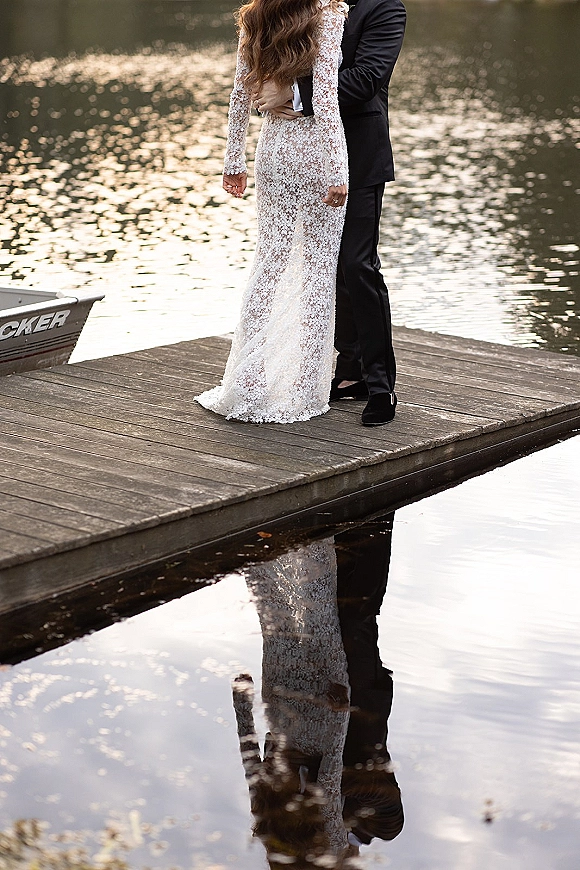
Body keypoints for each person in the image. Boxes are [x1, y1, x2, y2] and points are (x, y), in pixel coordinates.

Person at [253, 0, 407, 426]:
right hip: (305, 160)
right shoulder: (301, 6)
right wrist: (269, 94)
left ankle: (381, 385)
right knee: (325, 266)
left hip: (359, 156)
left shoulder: (384, 9)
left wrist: (295, 93)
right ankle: (350, 369)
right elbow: (265, 67)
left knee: (357, 265)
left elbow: (367, 80)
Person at [195, 0, 349, 424]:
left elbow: (239, 92)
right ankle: (303, 390)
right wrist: (338, 169)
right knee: (318, 269)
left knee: (269, 261)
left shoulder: (255, 16)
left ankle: (247, 384)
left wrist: (234, 162)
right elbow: (326, 96)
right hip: (316, 150)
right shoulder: (330, 13)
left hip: (275, 150)